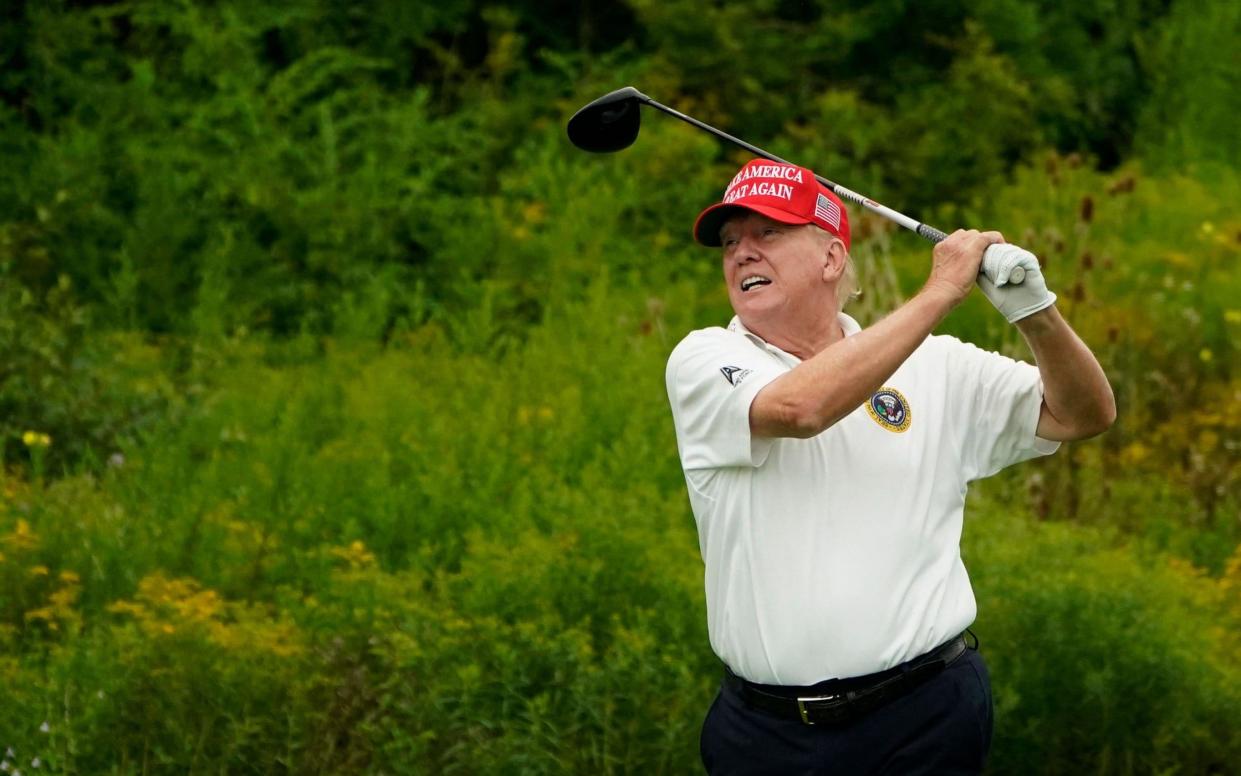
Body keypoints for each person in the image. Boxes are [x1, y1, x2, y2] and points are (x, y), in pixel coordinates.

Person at [665, 159, 1116, 775]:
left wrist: (1037, 314)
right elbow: (801, 407)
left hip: (925, 718)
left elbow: (1082, 414)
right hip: (766, 735)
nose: (742, 252)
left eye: (767, 233)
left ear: (830, 257)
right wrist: (941, 292)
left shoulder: (937, 366)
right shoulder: (703, 359)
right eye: (729, 242)